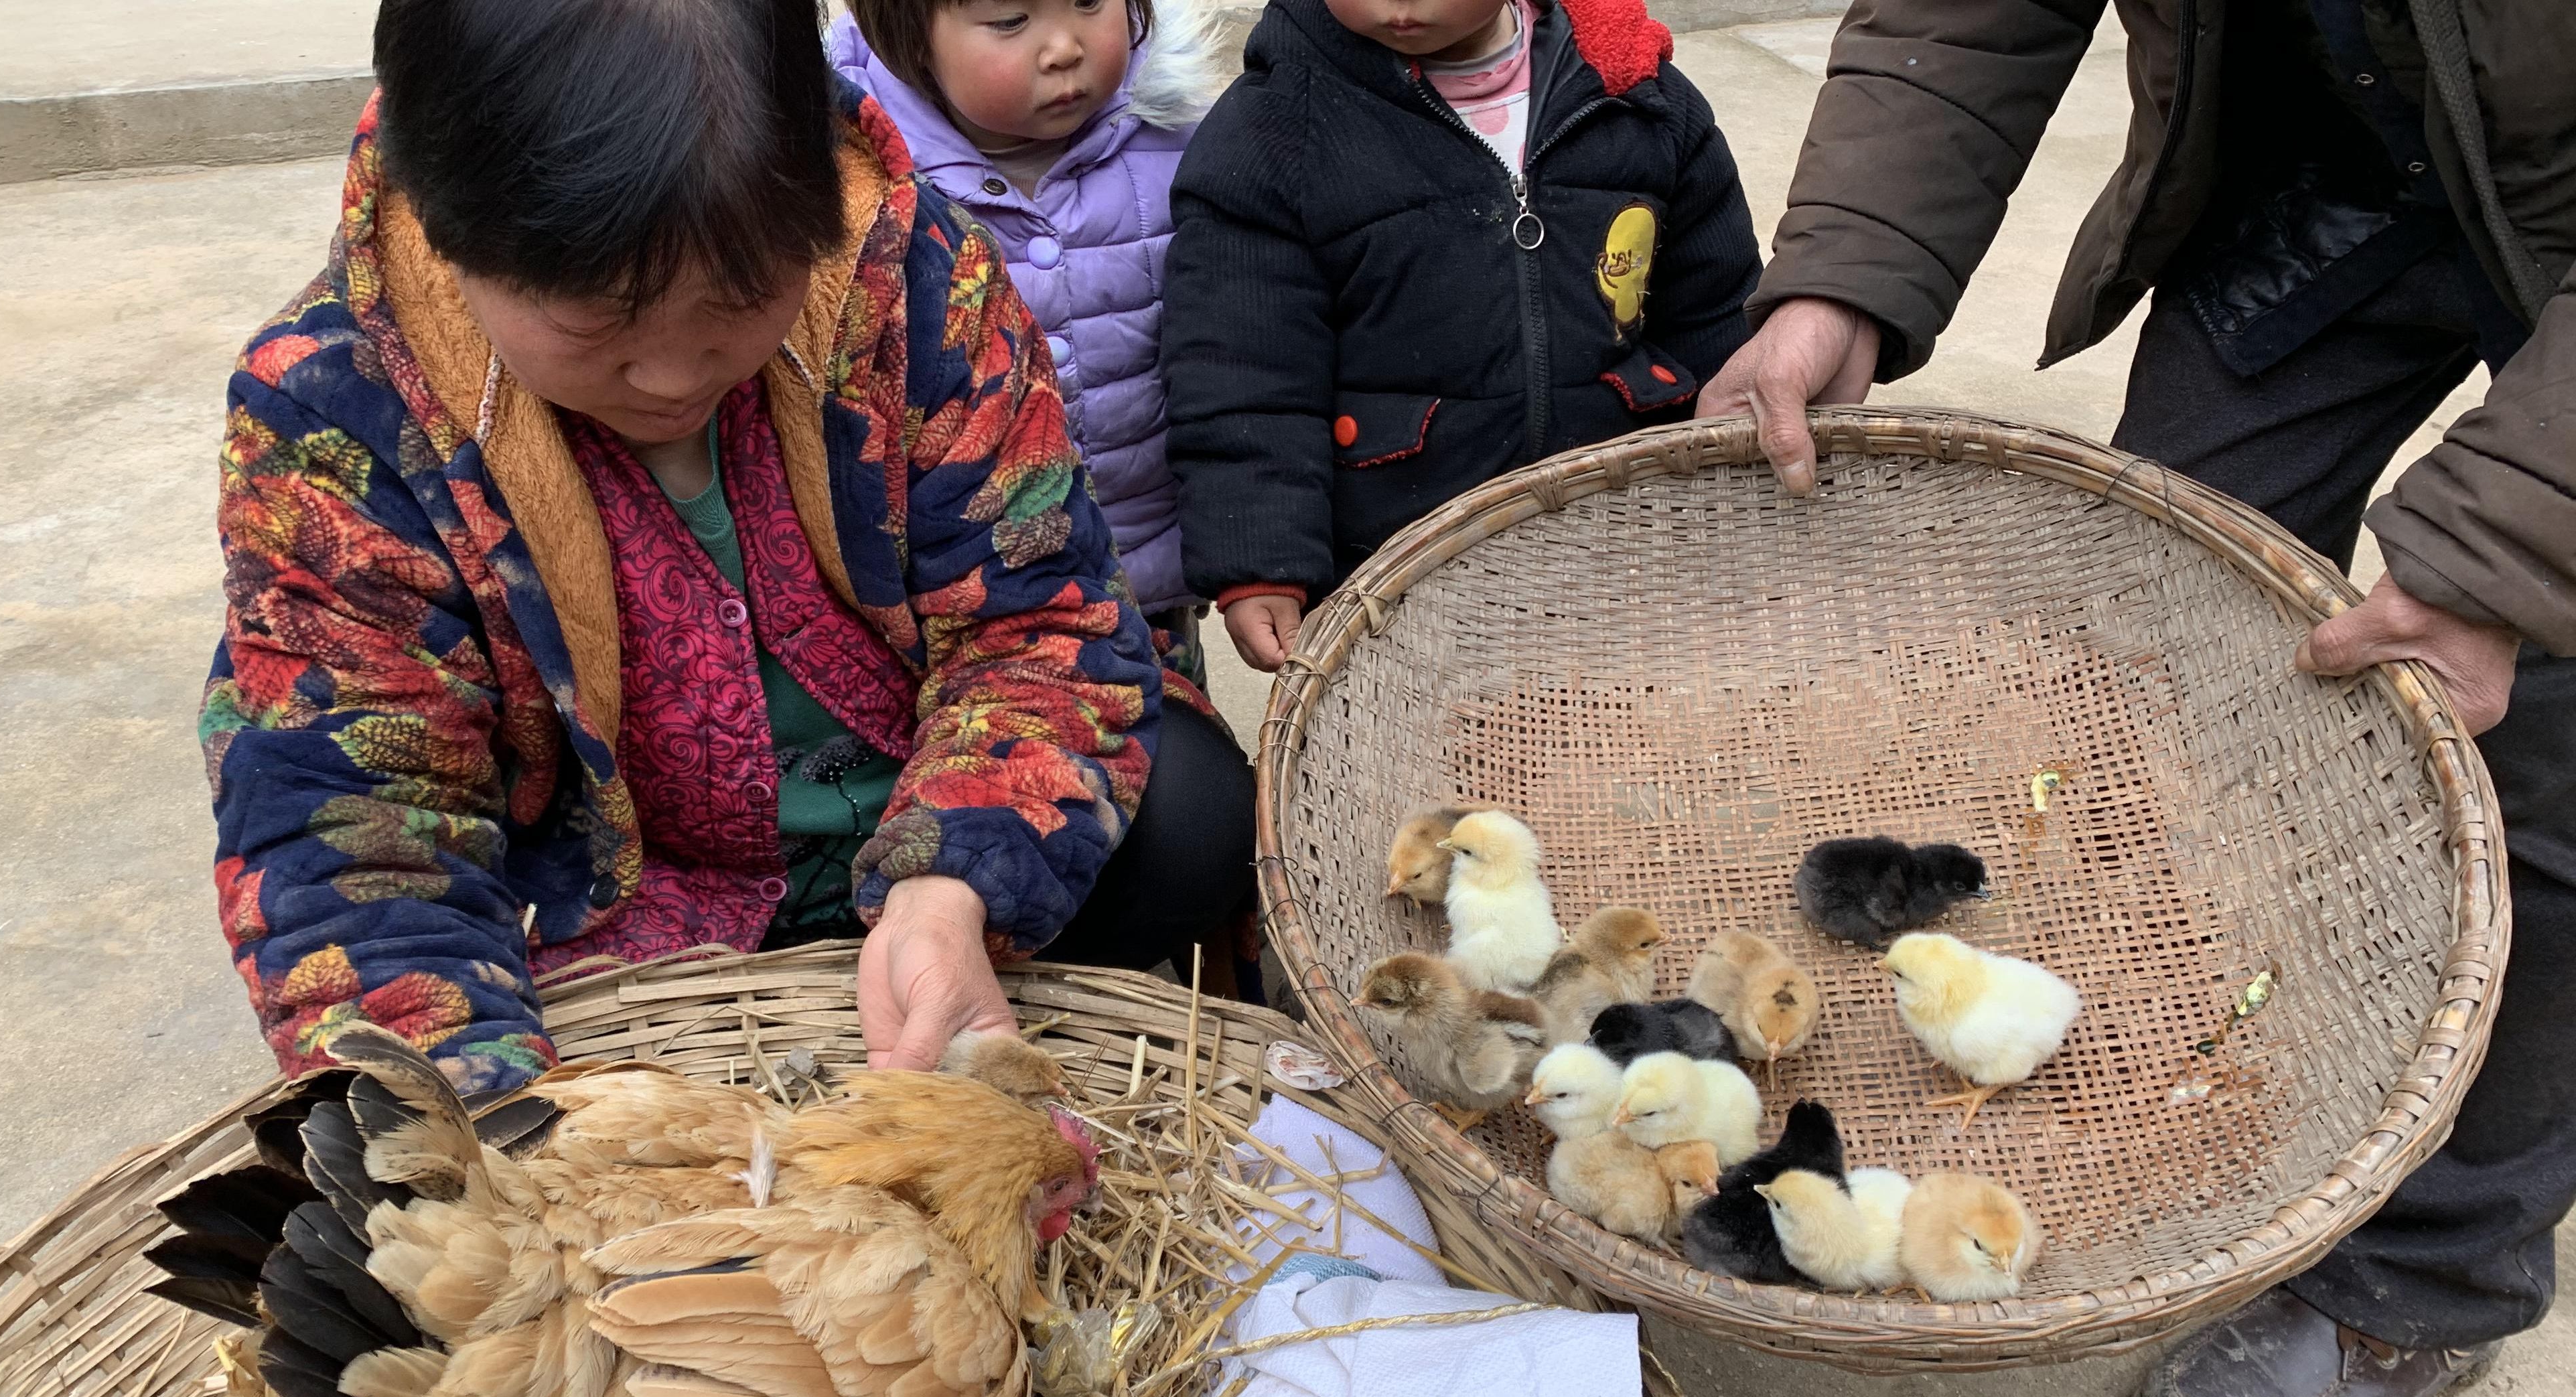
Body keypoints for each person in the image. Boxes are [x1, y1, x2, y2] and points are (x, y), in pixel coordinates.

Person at [1703, 0, 2574, 1397]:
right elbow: (1968, 14)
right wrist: (1848, 273)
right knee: (2158, 626)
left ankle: (2426, 1281)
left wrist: (2511, 553)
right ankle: (2216, 1048)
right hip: (2330, 163)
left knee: (2536, 754)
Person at [202, 0, 1254, 1094]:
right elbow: (350, 827)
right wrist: (495, 1135)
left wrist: (951, 890)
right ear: (453, 237)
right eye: (595, 319)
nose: (671, 375)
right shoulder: (333, 412)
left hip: (919, 802)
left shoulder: (908, 274)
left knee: (1191, 812)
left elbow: (1042, 628)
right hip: (629, 895)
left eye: (742, 296)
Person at [1159, 0, 1762, 673]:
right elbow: (1244, 372)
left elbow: (1714, 316)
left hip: (1624, 559)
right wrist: (1262, 557)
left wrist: (1734, 482)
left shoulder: (1638, 98)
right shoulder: (1268, 134)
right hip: (1394, 582)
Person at [830, 0, 1230, 683]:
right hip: (970, 607)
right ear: (909, 40)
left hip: (1149, 578)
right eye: (1012, 22)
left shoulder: (1181, 140)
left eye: (1089, 3)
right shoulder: (861, 184)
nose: (1064, 48)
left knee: (1180, 757)